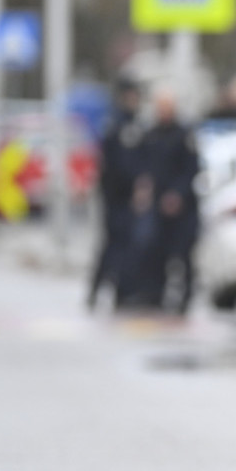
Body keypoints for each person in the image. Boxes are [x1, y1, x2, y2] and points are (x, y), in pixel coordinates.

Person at [139, 89, 202, 315]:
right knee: (157, 253)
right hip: (157, 206)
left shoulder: (184, 135)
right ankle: (157, 295)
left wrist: (177, 194)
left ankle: (185, 298)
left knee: (184, 254)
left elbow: (192, 169)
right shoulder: (151, 134)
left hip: (183, 207)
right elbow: (146, 167)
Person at [87, 78, 143, 310]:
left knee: (127, 246)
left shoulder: (135, 123)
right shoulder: (114, 123)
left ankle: (122, 293)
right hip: (114, 195)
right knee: (112, 245)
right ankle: (97, 290)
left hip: (130, 196)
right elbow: (111, 163)